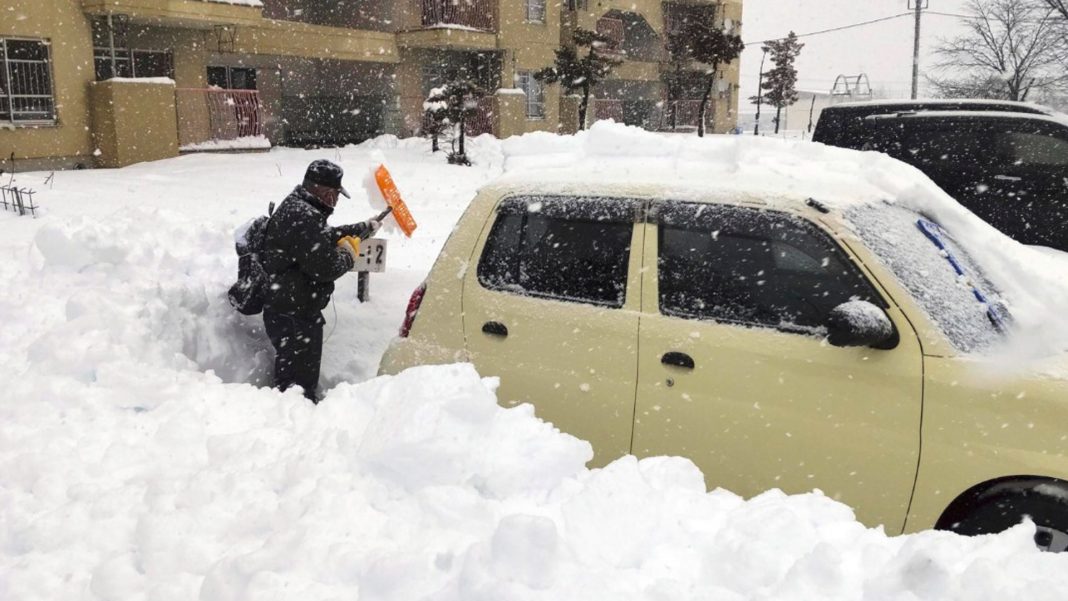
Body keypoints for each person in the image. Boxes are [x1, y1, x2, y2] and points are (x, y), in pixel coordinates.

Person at [260, 159, 381, 402]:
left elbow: (324, 236)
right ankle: (296, 421)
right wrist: (348, 255)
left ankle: (291, 413)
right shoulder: (304, 217)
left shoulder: (301, 208)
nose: (336, 201)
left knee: (292, 379)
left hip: (289, 309)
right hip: (294, 315)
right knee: (297, 387)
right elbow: (325, 268)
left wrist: (362, 228)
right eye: (336, 194)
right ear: (324, 192)